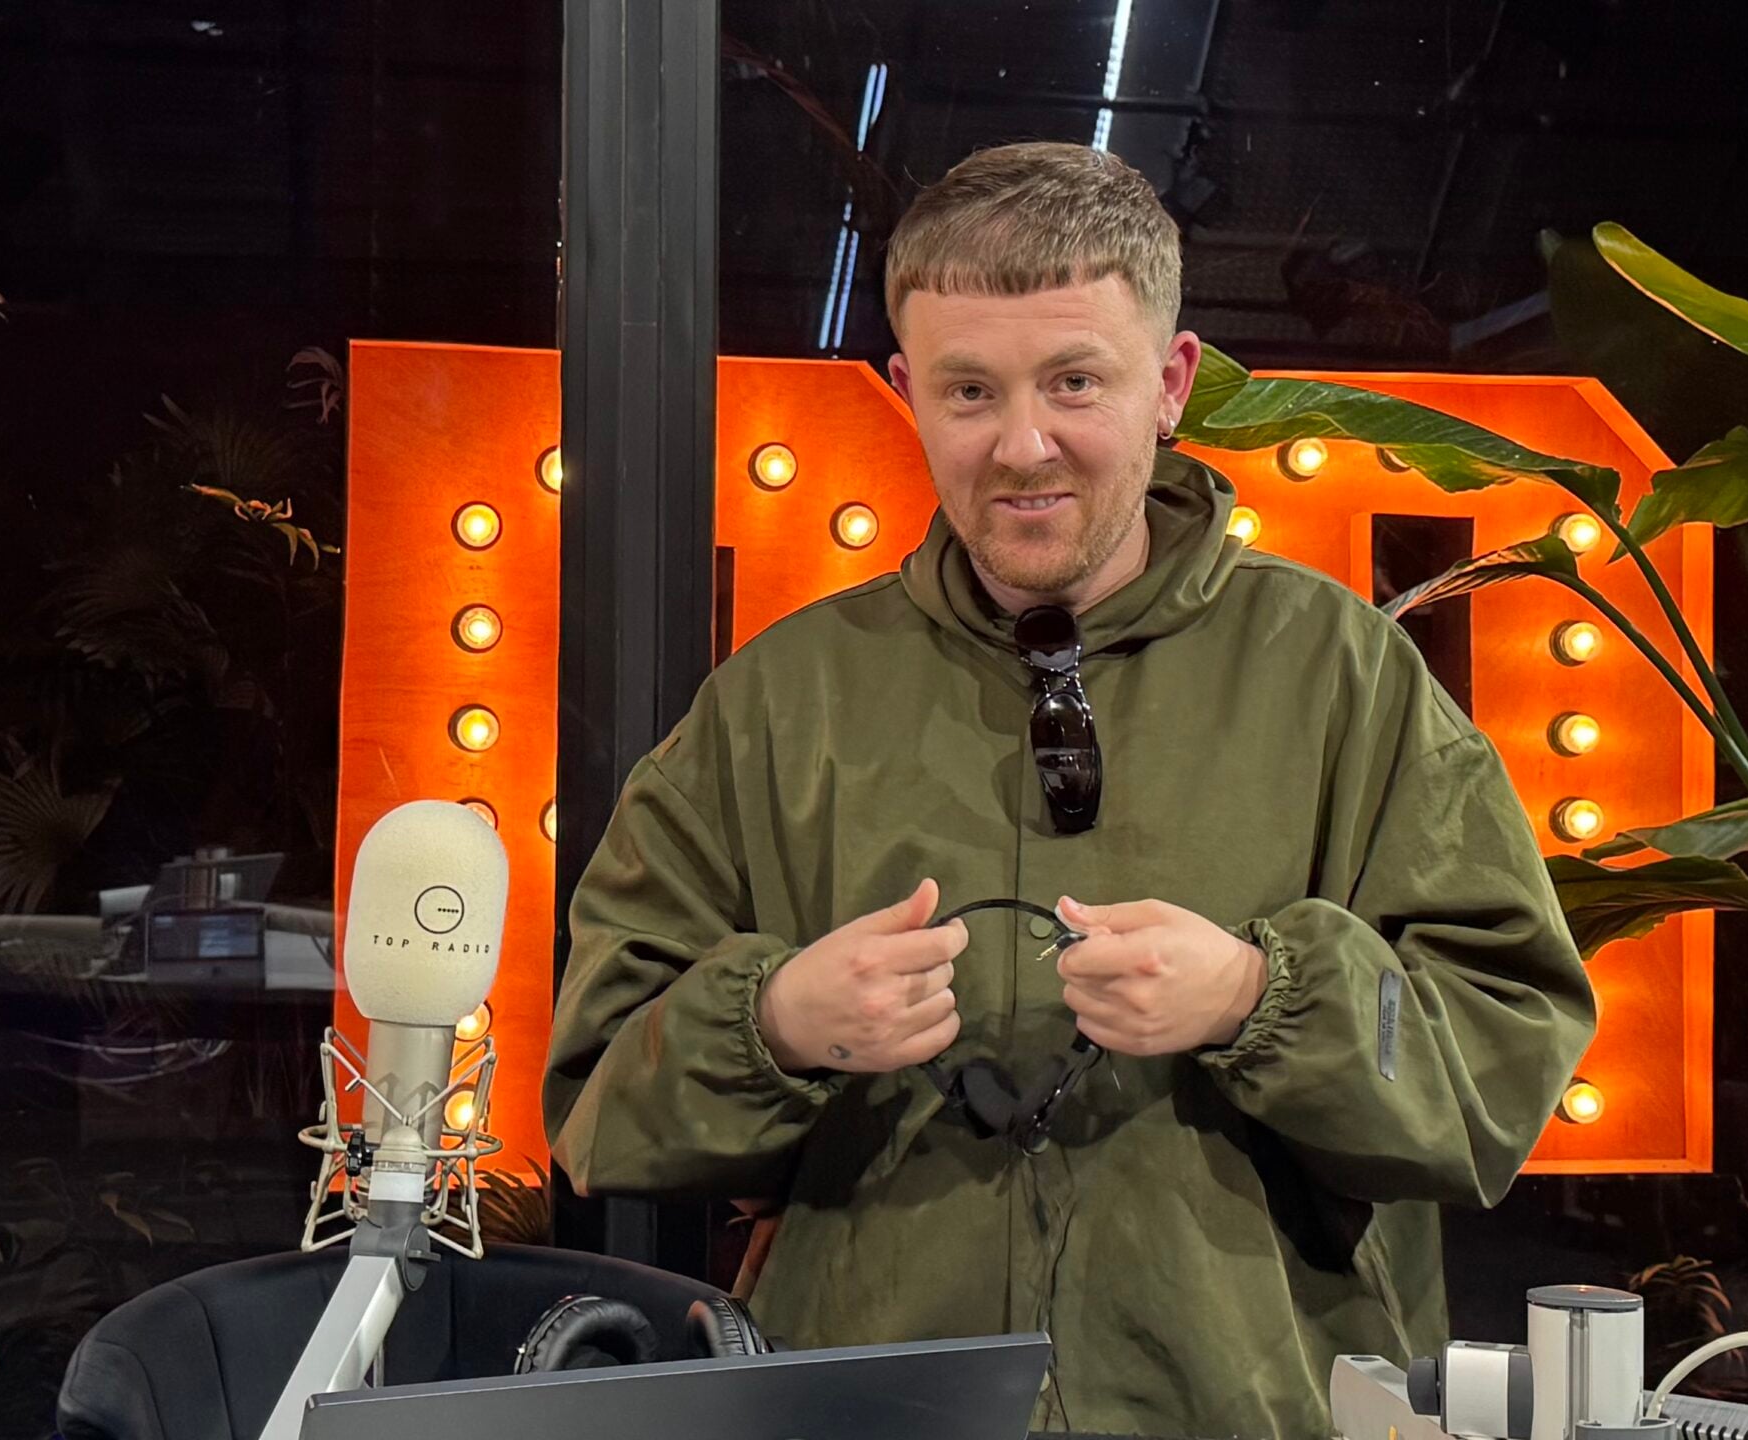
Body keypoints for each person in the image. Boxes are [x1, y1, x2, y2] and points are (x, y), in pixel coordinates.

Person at [543, 140, 1595, 1439]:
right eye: (969, 391)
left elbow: (1500, 1061)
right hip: (875, 1417)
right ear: (906, 393)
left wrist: (1260, 998)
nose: (1023, 444)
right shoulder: (777, 704)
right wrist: (776, 1022)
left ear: (1172, 384)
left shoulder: (1345, 678)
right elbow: (597, 1104)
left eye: (1075, 382)